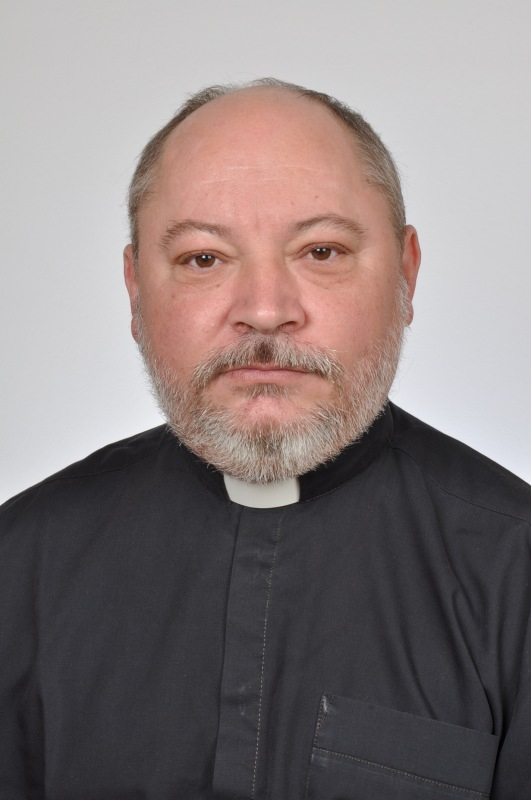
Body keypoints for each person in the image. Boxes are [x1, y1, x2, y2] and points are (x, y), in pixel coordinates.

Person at [1, 78, 530, 800]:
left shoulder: (515, 574)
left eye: (321, 251)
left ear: (406, 275)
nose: (264, 310)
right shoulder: (19, 565)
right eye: (203, 259)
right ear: (134, 289)